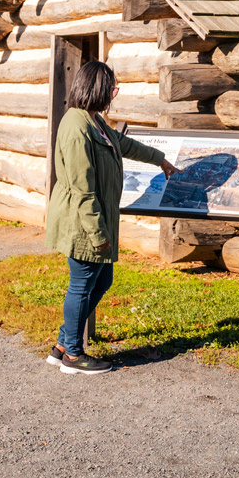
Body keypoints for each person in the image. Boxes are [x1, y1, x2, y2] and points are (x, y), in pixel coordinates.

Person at [44, 60, 177, 375]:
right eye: (112, 86)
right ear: (97, 88)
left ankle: (64, 344)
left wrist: (160, 159)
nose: (115, 92)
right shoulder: (76, 126)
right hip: (83, 223)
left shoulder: (95, 121)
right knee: (82, 284)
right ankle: (73, 357)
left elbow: (124, 144)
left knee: (102, 280)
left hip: (94, 220)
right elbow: (82, 191)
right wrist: (98, 235)